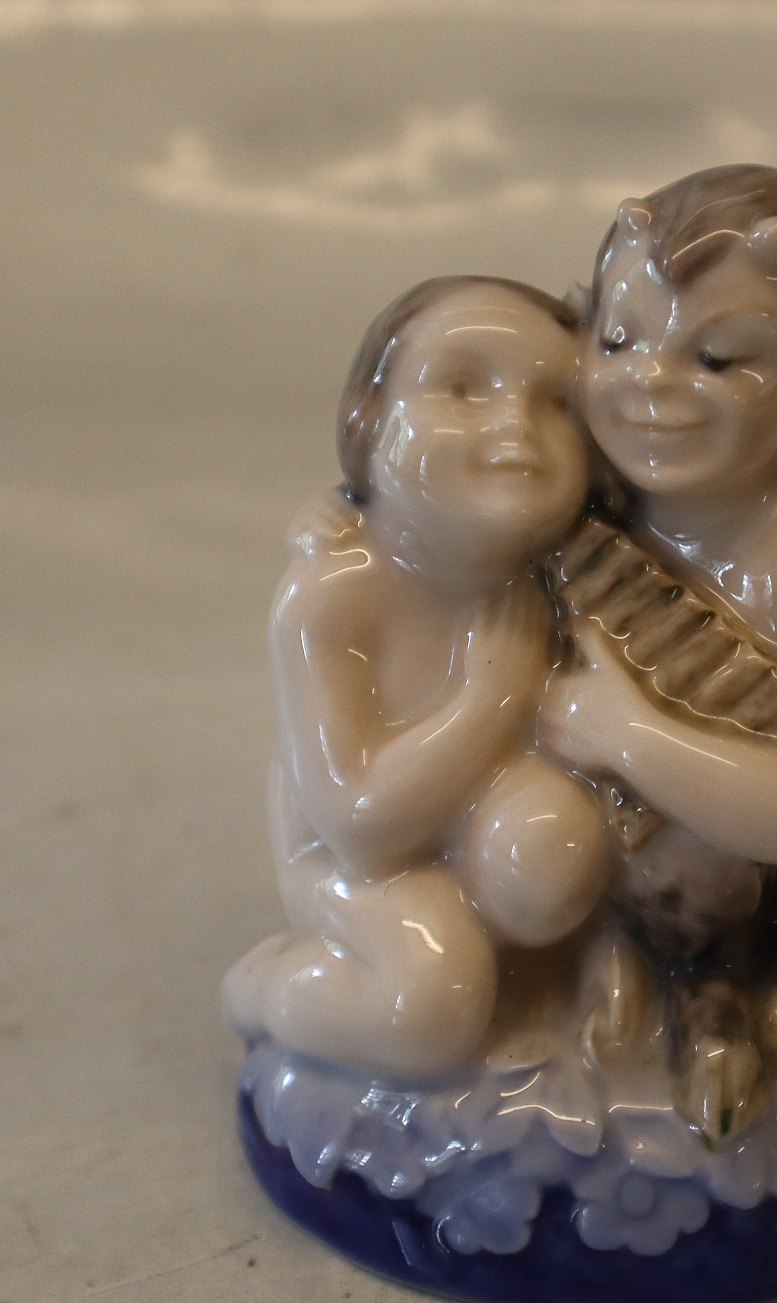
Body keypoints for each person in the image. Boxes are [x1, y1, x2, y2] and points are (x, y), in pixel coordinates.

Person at [543, 166, 777, 1138]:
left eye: (715, 358)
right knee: (622, 847)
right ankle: (684, 986)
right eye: (616, 340)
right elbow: (428, 531)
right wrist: (347, 534)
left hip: (763, 823)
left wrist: (628, 734)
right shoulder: (564, 476)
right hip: (594, 830)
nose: (649, 383)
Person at [223, 278, 609, 1077]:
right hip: (356, 861)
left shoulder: (563, 572)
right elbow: (357, 825)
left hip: (488, 816)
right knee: (426, 1007)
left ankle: (520, 981)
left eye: (557, 403)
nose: (515, 425)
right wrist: (490, 696)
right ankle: (266, 991)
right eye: (463, 388)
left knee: (555, 854)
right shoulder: (334, 592)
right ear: (370, 422)